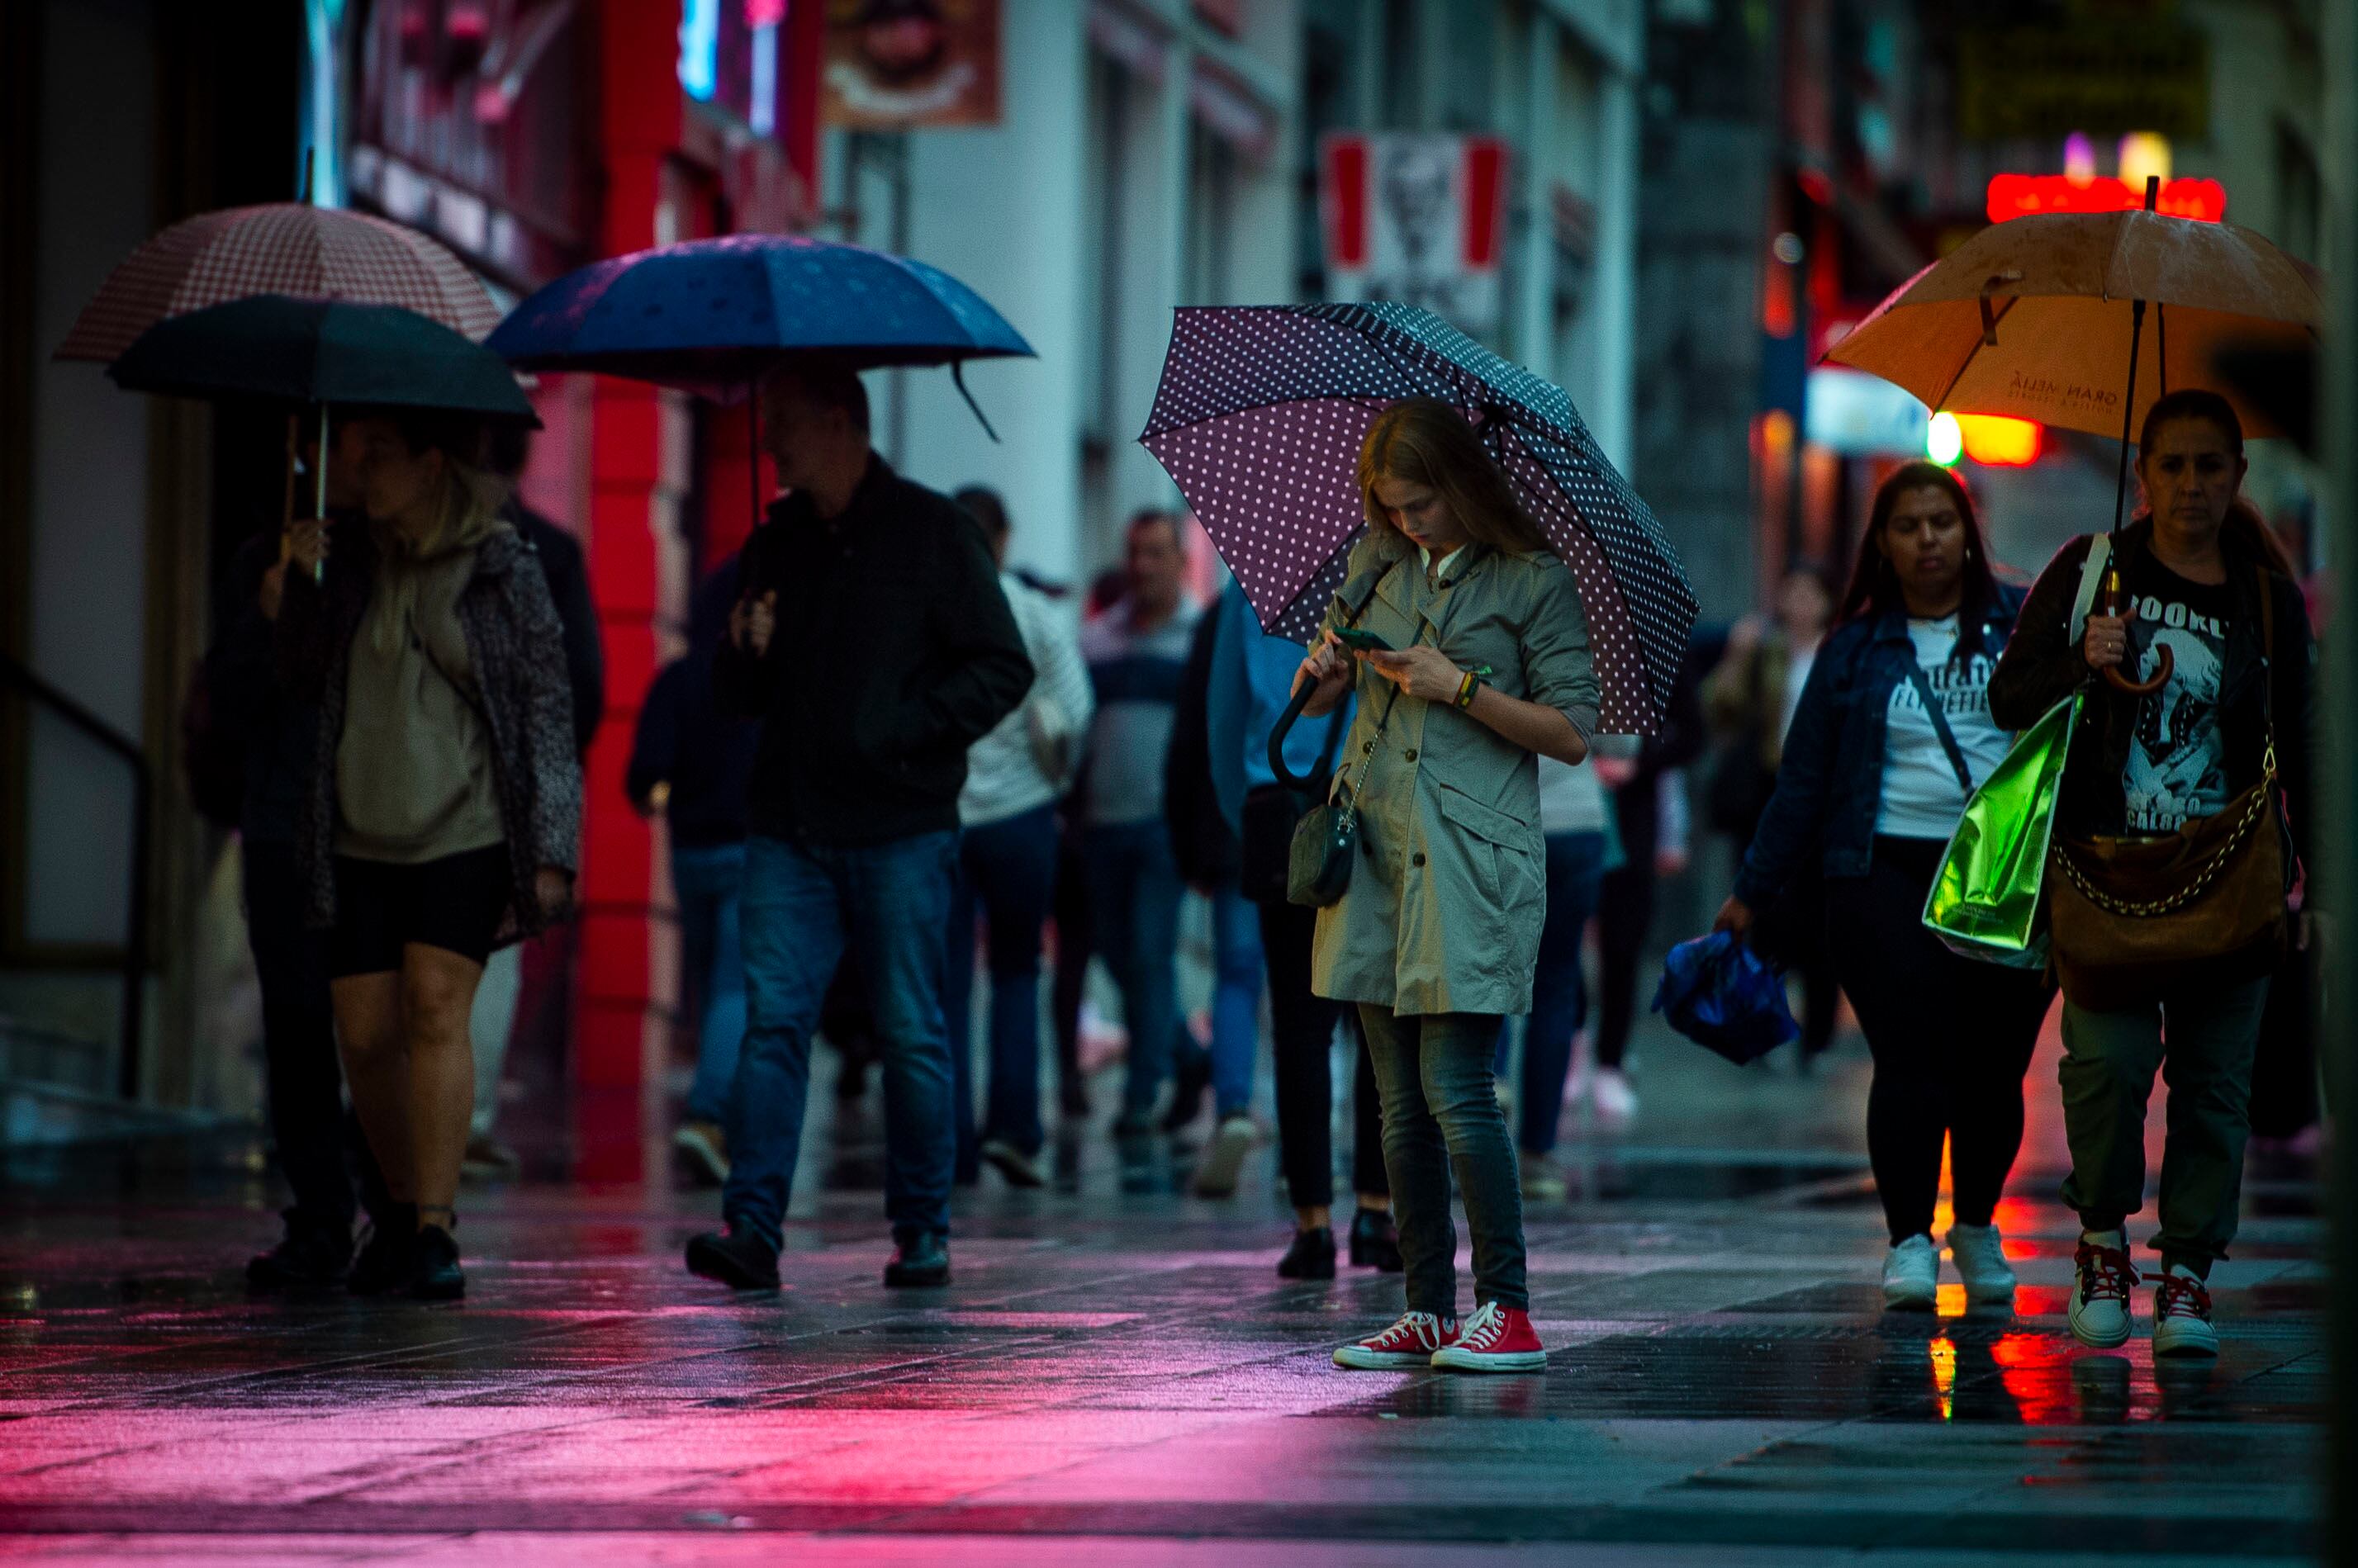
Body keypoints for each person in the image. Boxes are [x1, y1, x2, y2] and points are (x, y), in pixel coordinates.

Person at [684, 364, 1032, 1293]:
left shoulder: (931, 532)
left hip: (899, 823)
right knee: (773, 1026)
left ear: (839, 424)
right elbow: (732, 695)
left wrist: (905, 732)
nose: (769, 443)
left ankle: (921, 1229)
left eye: (785, 424)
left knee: (909, 1028)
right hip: (789, 822)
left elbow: (1003, 667)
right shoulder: (776, 541)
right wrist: (741, 650)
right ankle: (751, 1227)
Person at [1990, 391, 2314, 1357]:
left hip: (2230, 880)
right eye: (2170, 465)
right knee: (2106, 1070)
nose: (2189, 485)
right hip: (2104, 878)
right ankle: (2099, 1242)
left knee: (2216, 1091)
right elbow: (2011, 697)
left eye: (2208, 465)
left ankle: (2186, 1275)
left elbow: (2304, 738)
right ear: (2143, 474)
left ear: (2235, 476)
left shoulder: (2263, 592)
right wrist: (2079, 661)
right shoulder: (2092, 571)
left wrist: (2324, 891)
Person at [1714, 462, 2050, 1311]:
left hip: (2001, 876)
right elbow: (1803, 781)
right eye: (1907, 525)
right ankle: (1907, 1239)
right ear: (1882, 544)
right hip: (1878, 872)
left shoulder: (2021, 627)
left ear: (1966, 532)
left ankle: (1973, 1223)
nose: (1927, 539)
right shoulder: (1852, 648)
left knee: (1990, 1068)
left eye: (1941, 522)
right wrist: (1752, 890)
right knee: (1907, 1056)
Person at [1304, 398, 1595, 1375]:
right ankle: (1426, 1307)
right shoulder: (1372, 567)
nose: (1406, 521)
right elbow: (1336, 687)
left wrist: (1459, 686)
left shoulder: (1532, 582)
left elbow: (1569, 733)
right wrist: (1324, 674)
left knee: (1458, 1092)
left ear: (1463, 486)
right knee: (1393, 1105)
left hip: (1472, 861)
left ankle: (1504, 1308)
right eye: (1390, 506)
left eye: (1421, 502)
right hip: (1377, 852)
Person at [277, 410, 582, 1301]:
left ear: (430, 464)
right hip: (358, 826)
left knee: (436, 1010)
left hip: (467, 825)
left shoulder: (501, 565)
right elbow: (297, 680)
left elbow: (546, 710)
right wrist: (298, 587)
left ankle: (438, 1232)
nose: (359, 469)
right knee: (365, 1034)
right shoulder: (344, 561)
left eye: (379, 454)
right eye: (356, 452)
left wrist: (551, 848)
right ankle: (402, 1209)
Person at [210, 423, 377, 1287]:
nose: (366, 455)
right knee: (299, 1024)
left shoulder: (390, 559)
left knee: (376, 1027)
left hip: (376, 821)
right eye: (351, 441)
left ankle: (393, 1208)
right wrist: (271, 613)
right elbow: (226, 705)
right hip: (283, 822)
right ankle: (317, 1213)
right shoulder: (260, 565)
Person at [1204, 578, 1398, 1272]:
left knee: (1296, 1022)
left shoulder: (1253, 576)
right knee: (1376, 1013)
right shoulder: (1397, 575)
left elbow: (1223, 716)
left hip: (1276, 801)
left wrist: (1250, 804)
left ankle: (1312, 1223)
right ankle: (1377, 1212)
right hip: (1373, 802)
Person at [463, 425, 607, 1179]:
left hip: (443, 786)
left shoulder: (418, 550)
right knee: (488, 961)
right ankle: (469, 1120)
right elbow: (582, 691)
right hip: (508, 791)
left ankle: (401, 1117)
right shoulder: (550, 550)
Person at [944, 486, 1093, 1189]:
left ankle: (950, 1143)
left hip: (943, 819)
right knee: (1015, 972)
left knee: (944, 983)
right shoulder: (1032, 612)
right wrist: (1049, 780)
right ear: (1001, 539)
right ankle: (1014, 1129)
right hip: (1024, 819)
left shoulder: (930, 610)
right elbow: (1076, 707)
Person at [627, 557, 760, 1186]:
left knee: (711, 985)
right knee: (736, 987)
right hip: (750, 849)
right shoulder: (762, 680)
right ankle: (709, 1116)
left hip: (689, 854)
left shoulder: (677, 681)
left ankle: (717, 1111)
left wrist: (666, 798)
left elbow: (642, 773)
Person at [1078, 510, 1202, 1139]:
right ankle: (1186, 1054)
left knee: (1151, 955)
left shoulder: (1196, 638)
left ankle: (1139, 1092)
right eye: (1134, 552)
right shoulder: (1096, 639)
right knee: (1117, 954)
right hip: (1100, 823)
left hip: (1162, 825)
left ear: (1181, 560)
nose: (1142, 565)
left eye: (1156, 553)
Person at [1706, 567, 1841, 1062]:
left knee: (1821, 920)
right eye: (1793, 594)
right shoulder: (1766, 649)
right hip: (1770, 792)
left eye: (1811, 594)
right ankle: (1767, 1023)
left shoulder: (1839, 651)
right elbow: (1721, 709)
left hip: (1828, 800)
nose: (1801, 604)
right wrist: (1737, 658)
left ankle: (1818, 1036)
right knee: (1766, 915)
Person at [1164, 590, 1266, 1196]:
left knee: (1236, 972)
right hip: (1322, 821)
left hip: (1243, 823)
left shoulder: (1225, 617)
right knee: (1315, 987)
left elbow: (1198, 730)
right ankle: (1305, 1128)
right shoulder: (1359, 593)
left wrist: (1194, 838)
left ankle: (1232, 1108)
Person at [1588, 641, 1708, 1110]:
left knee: (1622, 941)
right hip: (1564, 806)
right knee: (1557, 936)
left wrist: (1638, 761)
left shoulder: (1659, 650)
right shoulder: (1556, 630)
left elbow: (1692, 735)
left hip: (1631, 815)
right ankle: (1573, 1041)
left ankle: (1611, 1059)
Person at [1509, 751, 1621, 1197]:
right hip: (1577, 821)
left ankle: (1472, 1144)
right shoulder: (1598, 676)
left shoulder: (1482, 675)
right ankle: (1538, 1152)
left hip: (1502, 819)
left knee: (1481, 980)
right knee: (1555, 988)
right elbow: (1623, 747)